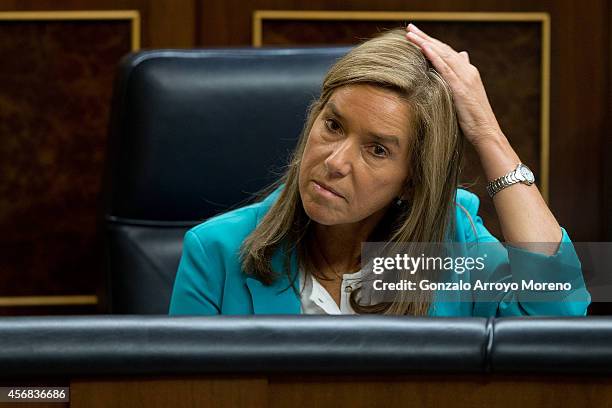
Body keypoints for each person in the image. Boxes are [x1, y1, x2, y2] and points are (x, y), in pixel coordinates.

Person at [169, 26, 590, 316]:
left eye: (377, 150)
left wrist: (486, 132)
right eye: (332, 126)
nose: (334, 162)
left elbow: (559, 307)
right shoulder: (216, 252)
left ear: (413, 177)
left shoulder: (454, 242)